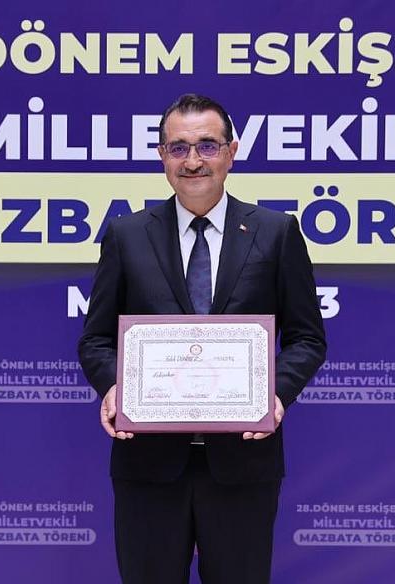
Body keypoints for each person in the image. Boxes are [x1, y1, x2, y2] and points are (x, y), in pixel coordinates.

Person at [78, 93, 326, 584]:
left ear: (231, 152)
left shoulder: (276, 233)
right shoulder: (126, 236)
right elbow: (96, 340)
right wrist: (113, 387)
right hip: (148, 464)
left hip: (243, 463)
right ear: (162, 156)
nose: (193, 161)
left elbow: (307, 338)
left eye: (207, 146)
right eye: (179, 148)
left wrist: (274, 395)